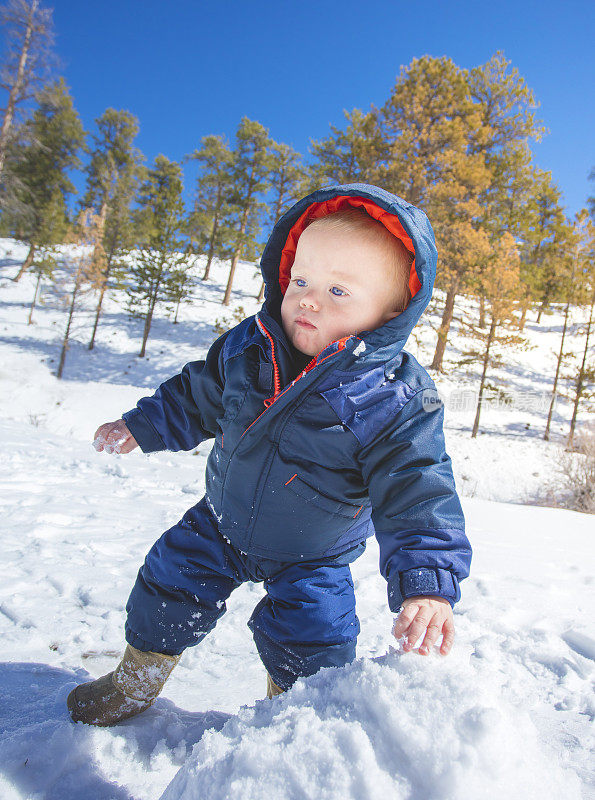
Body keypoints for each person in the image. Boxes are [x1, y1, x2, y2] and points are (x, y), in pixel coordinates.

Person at [67, 183, 472, 727]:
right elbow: (197, 396)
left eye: (338, 291)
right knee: (166, 586)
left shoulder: (394, 400)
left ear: (392, 310)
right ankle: (136, 679)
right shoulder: (249, 347)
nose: (308, 299)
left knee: (316, 641)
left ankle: (288, 724)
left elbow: (418, 489)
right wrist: (143, 425)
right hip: (221, 520)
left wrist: (427, 582)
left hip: (315, 553)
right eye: (301, 280)